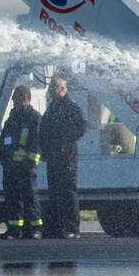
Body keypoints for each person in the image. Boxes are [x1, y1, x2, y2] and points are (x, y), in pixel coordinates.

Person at [40, 76, 86, 238]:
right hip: (53, 157)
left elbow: (80, 128)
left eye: (54, 88)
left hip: (66, 156)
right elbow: (44, 130)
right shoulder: (52, 108)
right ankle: (57, 227)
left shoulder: (70, 107)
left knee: (68, 192)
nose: (51, 91)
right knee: (54, 192)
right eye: (51, 88)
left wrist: (64, 140)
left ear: (63, 89)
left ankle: (72, 228)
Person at [0, 86, 42, 239]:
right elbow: (4, 139)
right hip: (10, 167)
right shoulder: (12, 117)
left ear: (24, 98)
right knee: (13, 198)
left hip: (26, 167)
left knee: (30, 197)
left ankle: (35, 229)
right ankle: (14, 229)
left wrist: (30, 162)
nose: (13, 100)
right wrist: (3, 158)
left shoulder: (34, 118)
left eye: (15, 97)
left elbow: (37, 143)